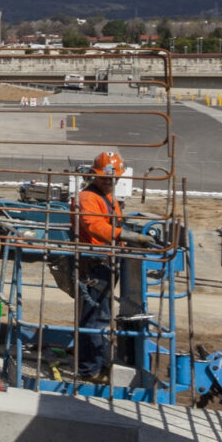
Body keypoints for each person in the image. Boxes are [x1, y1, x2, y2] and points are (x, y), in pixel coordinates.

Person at [74, 150, 131, 380]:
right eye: (105, 178)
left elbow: (113, 223)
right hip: (94, 263)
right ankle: (90, 369)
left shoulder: (108, 197)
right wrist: (122, 235)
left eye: (112, 178)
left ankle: (98, 361)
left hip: (105, 262)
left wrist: (126, 237)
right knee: (94, 319)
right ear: (95, 176)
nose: (109, 182)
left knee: (101, 316)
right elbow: (94, 225)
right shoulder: (89, 197)